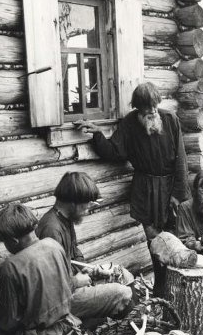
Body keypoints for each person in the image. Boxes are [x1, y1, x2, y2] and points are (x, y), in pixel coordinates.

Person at [74, 82, 190, 296]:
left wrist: (177, 194)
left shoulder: (170, 120)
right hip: (145, 189)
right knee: (153, 239)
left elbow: (181, 160)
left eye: (155, 106)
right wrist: (98, 134)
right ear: (138, 108)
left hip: (169, 187)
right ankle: (160, 286)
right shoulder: (129, 124)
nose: (153, 111)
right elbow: (115, 151)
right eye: (148, 108)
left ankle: (176, 287)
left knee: (173, 238)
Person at [0, 203, 80, 335]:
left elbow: (8, 323)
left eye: (4, 241)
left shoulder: (11, 265)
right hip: (65, 323)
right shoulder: (54, 246)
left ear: (13, 240)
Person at [36, 171, 133, 321]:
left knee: (122, 274)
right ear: (73, 202)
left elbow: (74, 252)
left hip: (70, 285)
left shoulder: (65, 218)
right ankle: (131, 332)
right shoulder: (51, 229)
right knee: (122, 293)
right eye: (87, 203)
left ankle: (132, 327)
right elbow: (51, 283)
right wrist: (76, 281)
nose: (89, 207)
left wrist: (87, 268)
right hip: (60, 300)